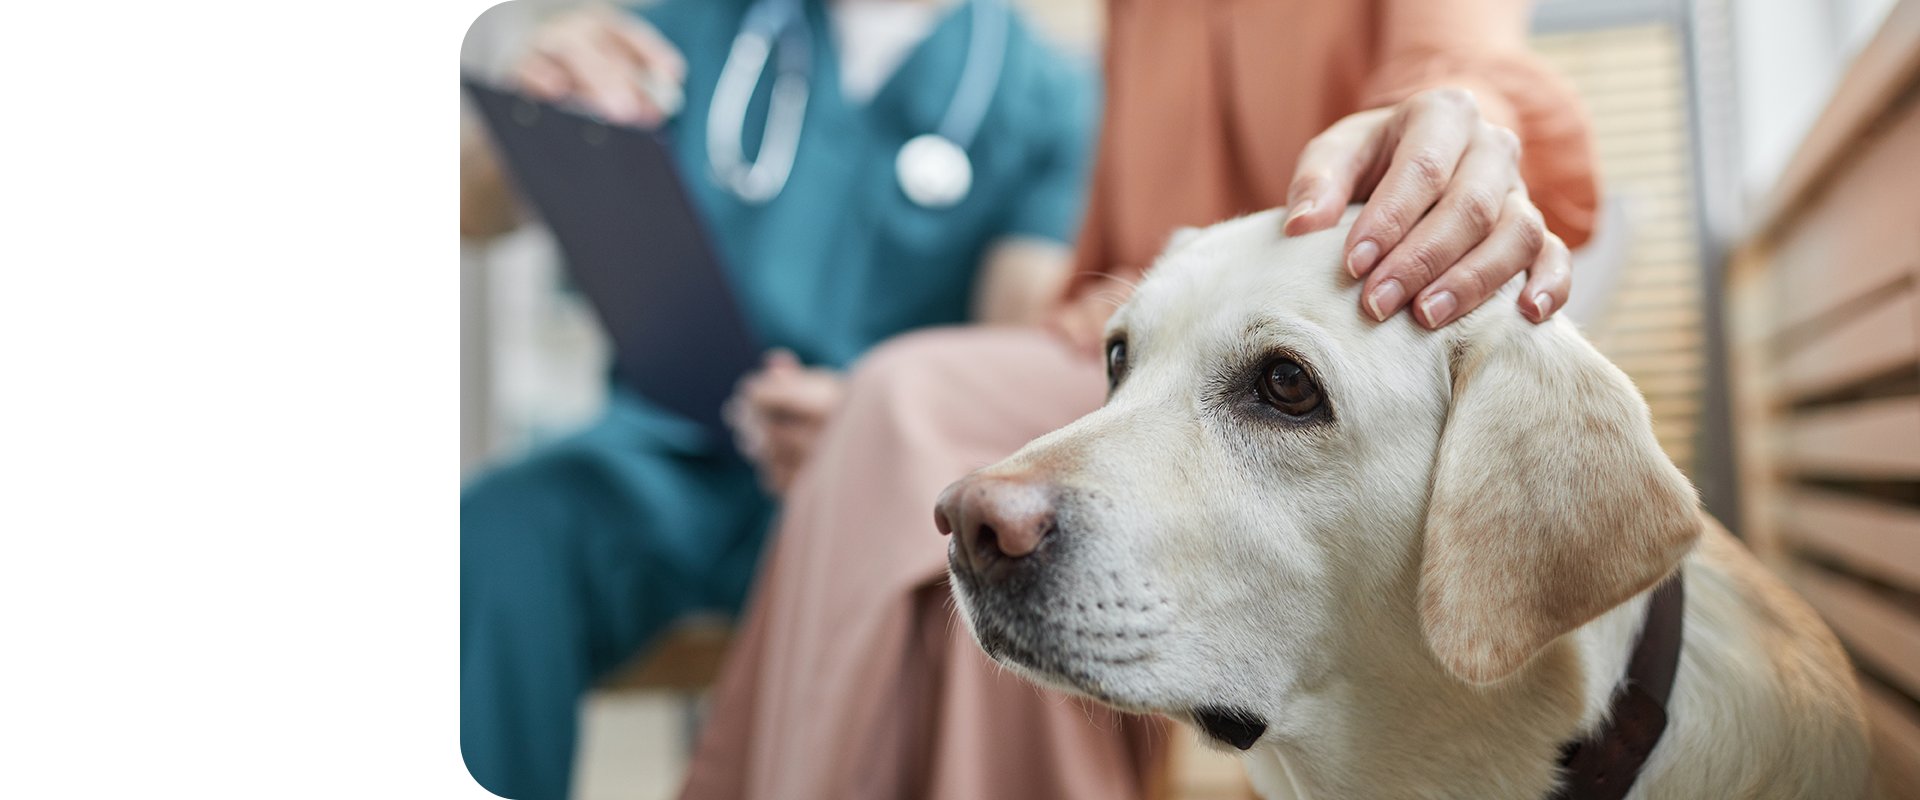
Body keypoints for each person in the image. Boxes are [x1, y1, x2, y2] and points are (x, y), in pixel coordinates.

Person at [676, 1, 1599, 799]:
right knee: (908, 438)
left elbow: (1461, 72)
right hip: (1137, 364)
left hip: (1339, 385)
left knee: (907, 411)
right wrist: (901, 411)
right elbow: (1101, 277)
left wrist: (1449, 131)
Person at [458, 2, 1099, 799]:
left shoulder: (1048, 92)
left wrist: (870, 414)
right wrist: (528, 109)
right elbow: (471, 209)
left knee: (947, 627)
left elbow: (1010, 332)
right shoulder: (698, 27)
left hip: (875, 488)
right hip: (664, 460)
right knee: (493, 541)